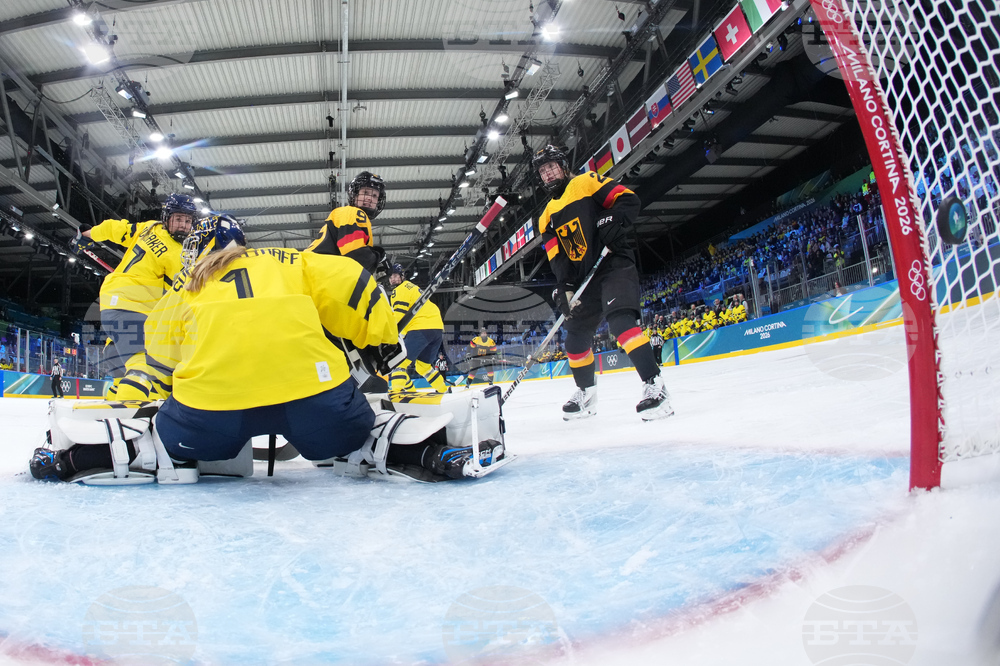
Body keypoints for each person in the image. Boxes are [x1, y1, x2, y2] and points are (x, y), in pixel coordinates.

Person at [30, 215, 501, 483]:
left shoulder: (186, 285)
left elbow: (159, 356)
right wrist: (381, 347)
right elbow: (354, 283)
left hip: (212, 415)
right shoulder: (297, 261)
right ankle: (425, 453)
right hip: (315, 403)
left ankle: (79, 458)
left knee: (166, 442)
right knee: (359, 432)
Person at [533, 144, 672, 421]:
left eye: (552, 167)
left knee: (620, 322)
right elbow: (558, 258)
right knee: (574, 339)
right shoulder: (546, 216)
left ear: (563, 166)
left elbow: (628, 199)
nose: (548, 174)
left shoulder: (586, 182)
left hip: (613, 264)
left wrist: (611, 219)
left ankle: (655, 386)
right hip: (586, 280)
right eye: (543, 171)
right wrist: (564, 287)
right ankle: (586, 395)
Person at [71, 193, 198, 395]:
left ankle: (115, 397)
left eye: (188, 220)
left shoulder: (150, 228)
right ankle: (130, 409)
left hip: (112, 303)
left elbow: (116, 229)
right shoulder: (179, 255)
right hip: (135, 307)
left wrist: (88, 234)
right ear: (167, 217)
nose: (184, 225)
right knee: (144, 366)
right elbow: (182, 296)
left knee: (121, 371)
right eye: (179, 219)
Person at [306, 171, 386, 274]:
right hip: (313, 273)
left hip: (314, 271)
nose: (370, 198)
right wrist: (380, 259)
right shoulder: (354, 212)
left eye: (375, 196)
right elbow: (356, 256)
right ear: (355, 194)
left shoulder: (350, 214)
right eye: (365, 192)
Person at [386, 264, 449, 393]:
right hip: (436, 327)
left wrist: (390, 335)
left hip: (421, 326)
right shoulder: (412, 287)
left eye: (395, 276)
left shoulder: (399, 290)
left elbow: (399, 316)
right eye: (390, 276)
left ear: (402, 277)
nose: (392, 279)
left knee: (400, 363)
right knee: (423, 366)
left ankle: (396, 393)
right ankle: (443, 390)